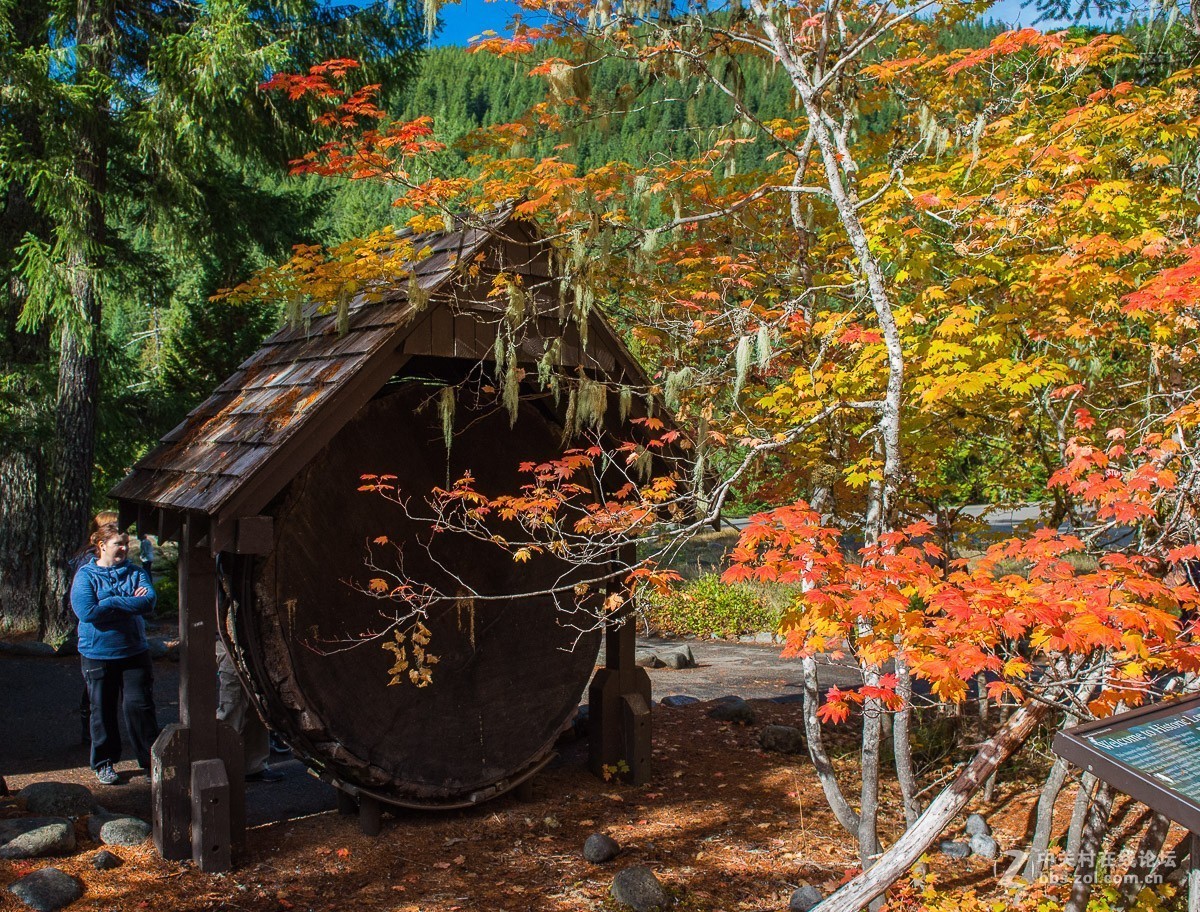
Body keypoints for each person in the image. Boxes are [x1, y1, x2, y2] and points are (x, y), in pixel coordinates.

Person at [70, 524, 160, 785]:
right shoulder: (85, 576)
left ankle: (151, 763)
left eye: (125, 543)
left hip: (134, 651)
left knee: (140, 708)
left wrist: (107, 602)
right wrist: (125, 602)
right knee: (102, 709)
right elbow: (87, 611)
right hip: (97, 653)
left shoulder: (135, 572)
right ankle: (104, 763)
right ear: (102, 546)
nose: (123, 548)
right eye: (118, 543)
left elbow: (148, 602)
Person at [69, 511, 120, 746]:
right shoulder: (87, 561)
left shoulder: (118, 559)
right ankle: (90, 733)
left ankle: (98, 732)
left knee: (107, 686)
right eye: (113, 526)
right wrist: (117, 602)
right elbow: (87, 605)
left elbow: (142, 597)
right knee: (95, 687)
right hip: (95, 635)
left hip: (116, 635)